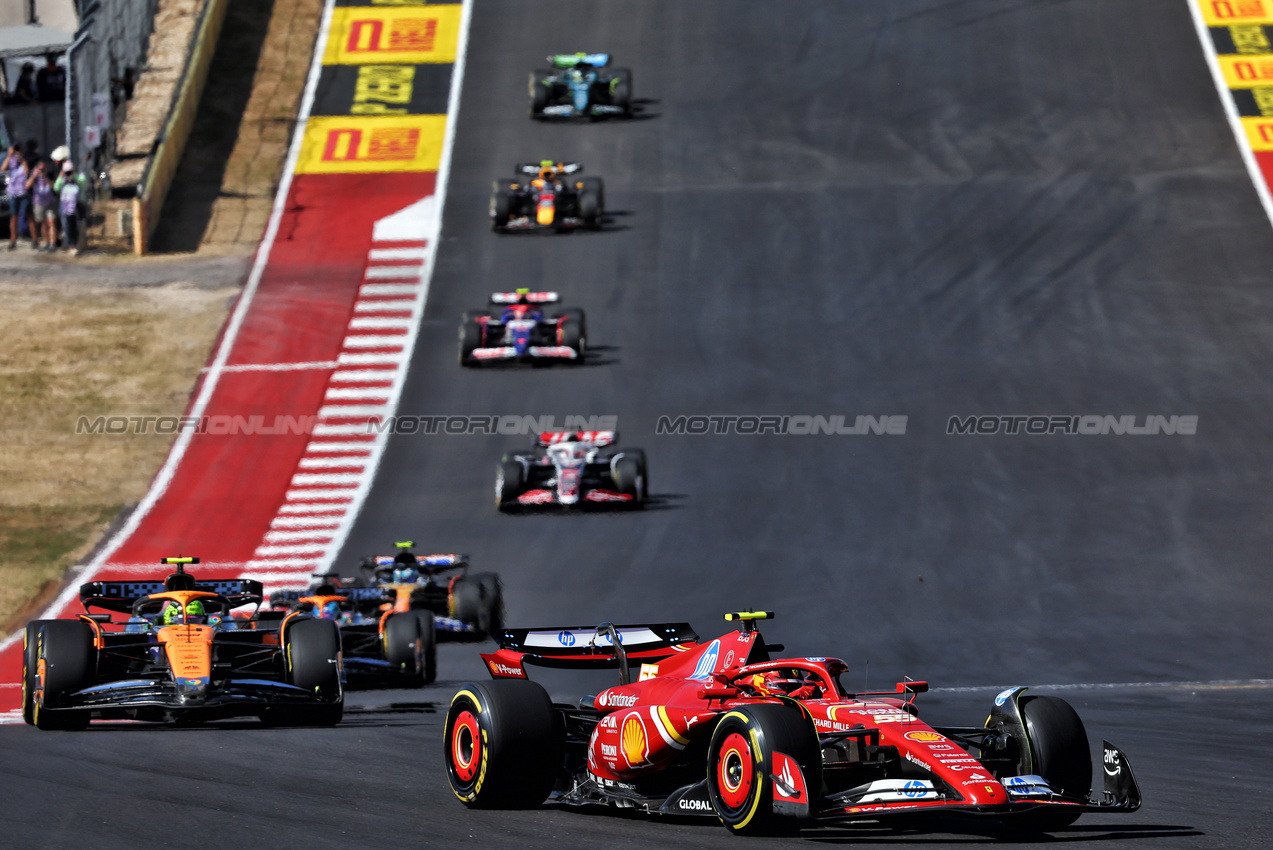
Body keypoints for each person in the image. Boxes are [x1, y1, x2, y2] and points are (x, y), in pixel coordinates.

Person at [54, 161, 87, 255]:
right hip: (65, 206)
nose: (68, 173)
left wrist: (74, 175)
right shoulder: (62, 179)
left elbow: (82, 183)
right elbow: (56, 188)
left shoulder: (79, 177)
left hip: (76, 205)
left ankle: (76, 245)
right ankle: (70, 246)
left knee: (75, 226)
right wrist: (61, 177)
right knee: (66, 226)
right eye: (66, 172)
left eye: (69, 171)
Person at [3, 146, 30, 249]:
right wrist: (10, 156)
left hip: (23, 192)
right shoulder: (11, 160)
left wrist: (22, 159)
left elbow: (27, 172)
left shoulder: (25, 160)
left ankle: (34, 239)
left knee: (28, 215)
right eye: (16, 150)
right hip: (13, 192)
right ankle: (13, 240)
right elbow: (3, 169)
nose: (17, 152)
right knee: (14, 216)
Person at [26, 160, 56, 250]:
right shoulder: (34, 177)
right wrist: (34, 176)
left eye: (43, 169)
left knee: (51, 222)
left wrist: (46, 177)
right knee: (43, 223)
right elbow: (27, 186)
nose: (42, 170)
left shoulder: (49, 175)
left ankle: (52, 243)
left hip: (50, 202)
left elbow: (53, 187)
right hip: (39, 202)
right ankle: (47, 242)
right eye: (40, 169)